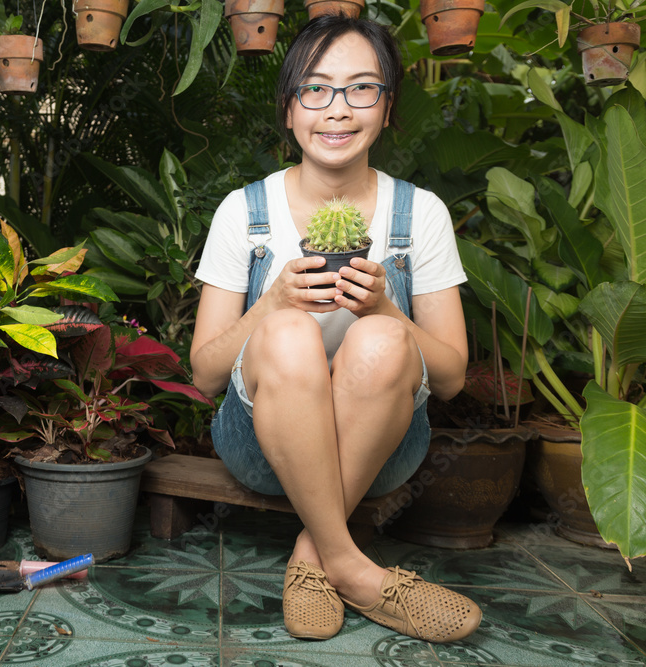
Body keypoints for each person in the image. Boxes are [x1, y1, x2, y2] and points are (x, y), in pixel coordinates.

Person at [190, 15, 482, 643]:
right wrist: (270, 306)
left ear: (386, 106)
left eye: (361, 89)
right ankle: (351, 566)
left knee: (382, 339)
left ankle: (312, 555)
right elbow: (205, 373)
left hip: (383, 452)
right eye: (315, 89)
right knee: (288, 333)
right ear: (289, 108)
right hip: (262, 452)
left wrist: (385, 310)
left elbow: (453, 378)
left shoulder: (420, 214)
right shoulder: (244, 212)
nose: (337, 110)